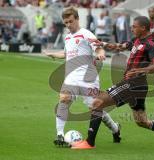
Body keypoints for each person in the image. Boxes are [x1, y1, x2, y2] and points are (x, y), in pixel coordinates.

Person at [71, 16, 154, 150]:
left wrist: (140, 70)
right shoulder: (136, 40)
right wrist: (103, 44)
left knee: (97, 102)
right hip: (138, 86)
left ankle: (89, 143)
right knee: (142, 122)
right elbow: (121, 46)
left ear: (143, 28)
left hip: (133, 83)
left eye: (134, 26)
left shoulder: (151, 45)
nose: (131, 28)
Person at [44, 7, 121, 146]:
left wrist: (100, 53)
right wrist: (54, 54)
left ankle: (115, 128)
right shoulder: (67, 36)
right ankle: (60, 135)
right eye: (66, 22)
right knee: (64, 98)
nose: (68, 25)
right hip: (71, 77)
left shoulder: (86, 34)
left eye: (71, 21)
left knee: (95, 108)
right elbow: (67, 54)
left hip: (88, 78)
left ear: (77, 19)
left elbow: (97, 47)